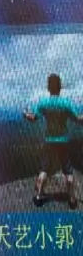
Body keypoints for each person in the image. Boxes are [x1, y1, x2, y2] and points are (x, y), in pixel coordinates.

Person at [24, 73, 81, 208]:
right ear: (60, 87)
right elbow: (78, 119)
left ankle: (39, 196)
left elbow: (33, 118)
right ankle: (72, 198)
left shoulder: (43, 103)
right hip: (63, 141)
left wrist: (26, 114)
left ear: (48, 87)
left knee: (44, 168)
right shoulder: (66, 103)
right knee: (68, 170)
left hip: (49, 141)